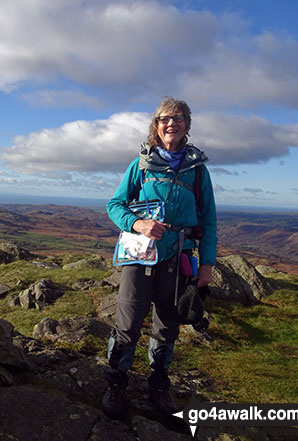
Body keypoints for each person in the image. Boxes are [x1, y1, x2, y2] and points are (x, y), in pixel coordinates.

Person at [102, 98, 217, 418]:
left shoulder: (197, 170)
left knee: (167, 326)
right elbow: (115, 205)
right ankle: (116, 381)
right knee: (127, 323)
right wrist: (138, 223)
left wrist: (206, 264)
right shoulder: (140, 164)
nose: (171, 123)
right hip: (139, 256)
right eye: (165, 118)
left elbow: (208, 220)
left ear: (187, 126)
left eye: (178, 118)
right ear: (156, 125)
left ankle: (158, 385)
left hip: (176, 257)